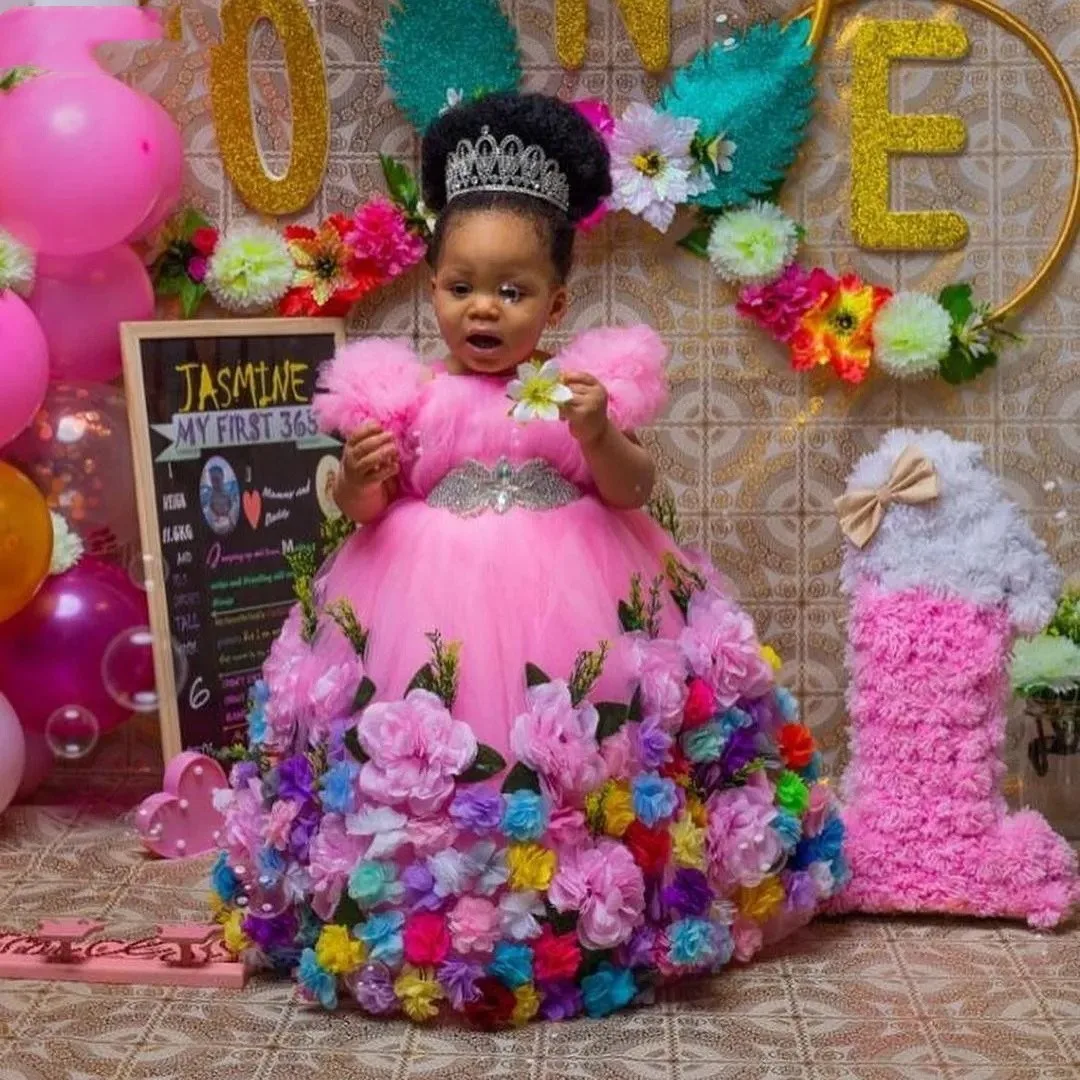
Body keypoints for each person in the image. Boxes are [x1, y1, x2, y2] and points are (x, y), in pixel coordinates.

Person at [214, 92, 846, 1024]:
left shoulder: (574, 388)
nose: (483, 309)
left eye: (512, 292)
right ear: (430, 287)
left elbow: (629, 490)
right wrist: (359, 477)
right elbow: (362, 510)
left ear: (554, 303)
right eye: (462, 285)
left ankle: (589, 905)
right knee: (428, 749)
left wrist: (596, 433)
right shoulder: (405, 394)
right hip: (418, 599)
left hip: (577, 590)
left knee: (599, 747)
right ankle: (433, 909)